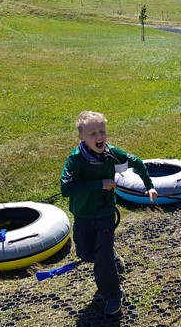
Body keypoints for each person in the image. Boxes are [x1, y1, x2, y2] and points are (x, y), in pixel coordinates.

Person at [60, 111, 158, 316]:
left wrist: (149, 186)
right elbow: (66, 189)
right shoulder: (75, 160)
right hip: (83, 213)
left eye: (102, 132)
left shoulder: (112, 153)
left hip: (105, 211)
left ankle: (113, 293)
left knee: (101, 256)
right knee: (86, 253)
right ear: (82, 138)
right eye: (93, 133)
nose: (99, 137)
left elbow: (137, 162)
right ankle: (112, 257)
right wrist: (100, 184)